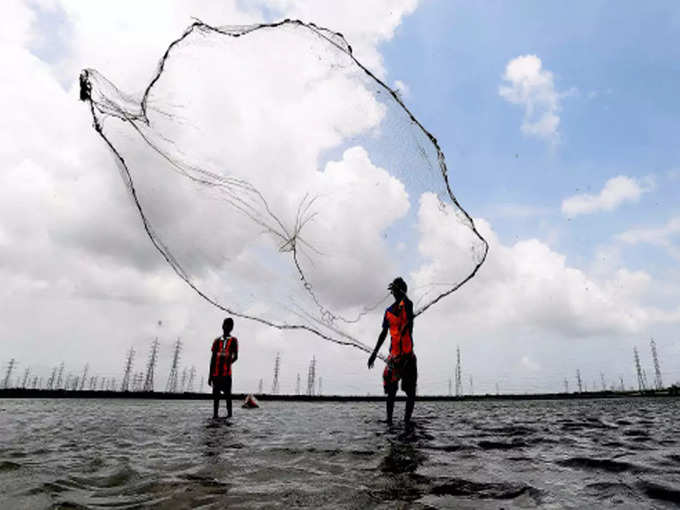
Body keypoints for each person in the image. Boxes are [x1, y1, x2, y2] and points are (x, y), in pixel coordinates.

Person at [368, 277, 417, 428]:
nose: (393, 294)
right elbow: (383, 334)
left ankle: (406, 422)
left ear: (401, 291)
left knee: (410, 392)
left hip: (408, 357)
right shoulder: (388, 312)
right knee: (391, 391)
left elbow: (408, 305)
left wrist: (404, 293)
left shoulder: (408, 306)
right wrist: (374, 354)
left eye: (395, 290)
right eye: (393, 291)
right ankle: (389, 421)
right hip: (394, 358)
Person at [208, 317, 239, 418]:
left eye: (228, 325)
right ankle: (215, 416)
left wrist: (228, 360)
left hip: (226, 374)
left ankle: (229, 417)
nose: (226, 327)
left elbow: (236, 356)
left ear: (231, 328)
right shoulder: (216, 341)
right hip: (216, 374)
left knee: (228, 397)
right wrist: (210, 376)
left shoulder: (234, 340)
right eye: (224, 324)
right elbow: (212, 359)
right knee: (216, 398)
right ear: (222, 326)